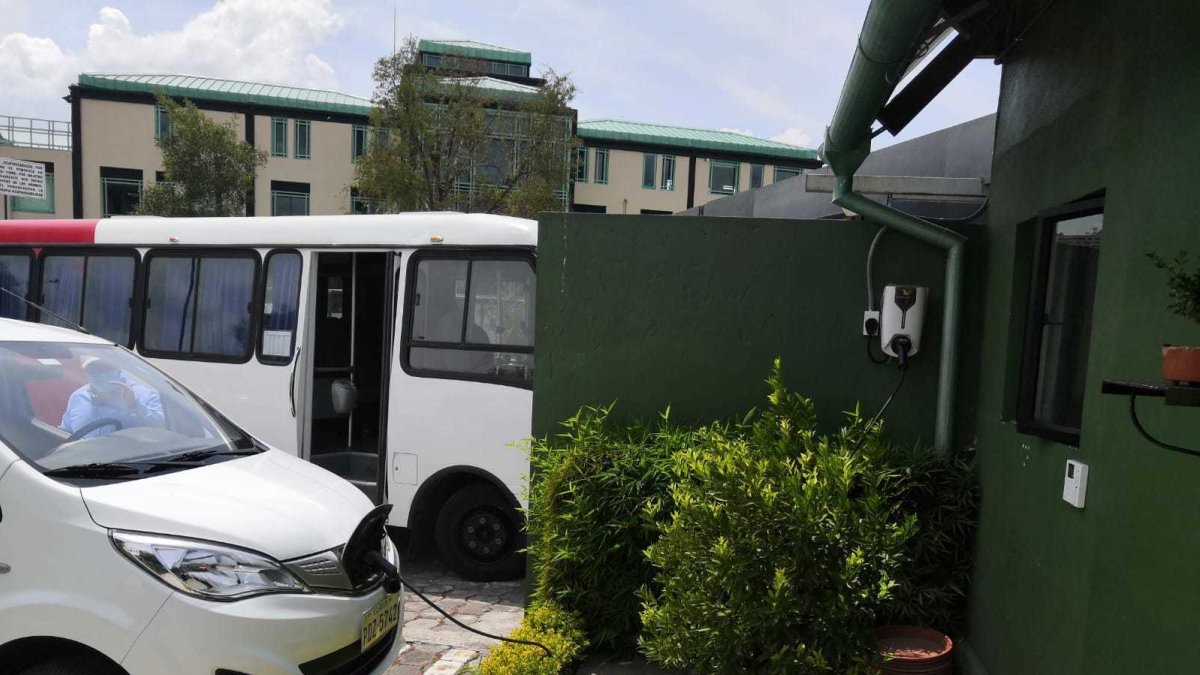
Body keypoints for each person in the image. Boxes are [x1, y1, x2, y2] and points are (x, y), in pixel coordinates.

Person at [61, 355, 164, 439]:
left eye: (106, 367)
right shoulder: (78, 397)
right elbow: (66, 432)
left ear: (118, 368)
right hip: (81, 461)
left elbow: (165, 426)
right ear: (85, 373)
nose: (101, 374)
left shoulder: (142, 394)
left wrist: (135, 406)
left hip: (126, 462)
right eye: (94, 369)